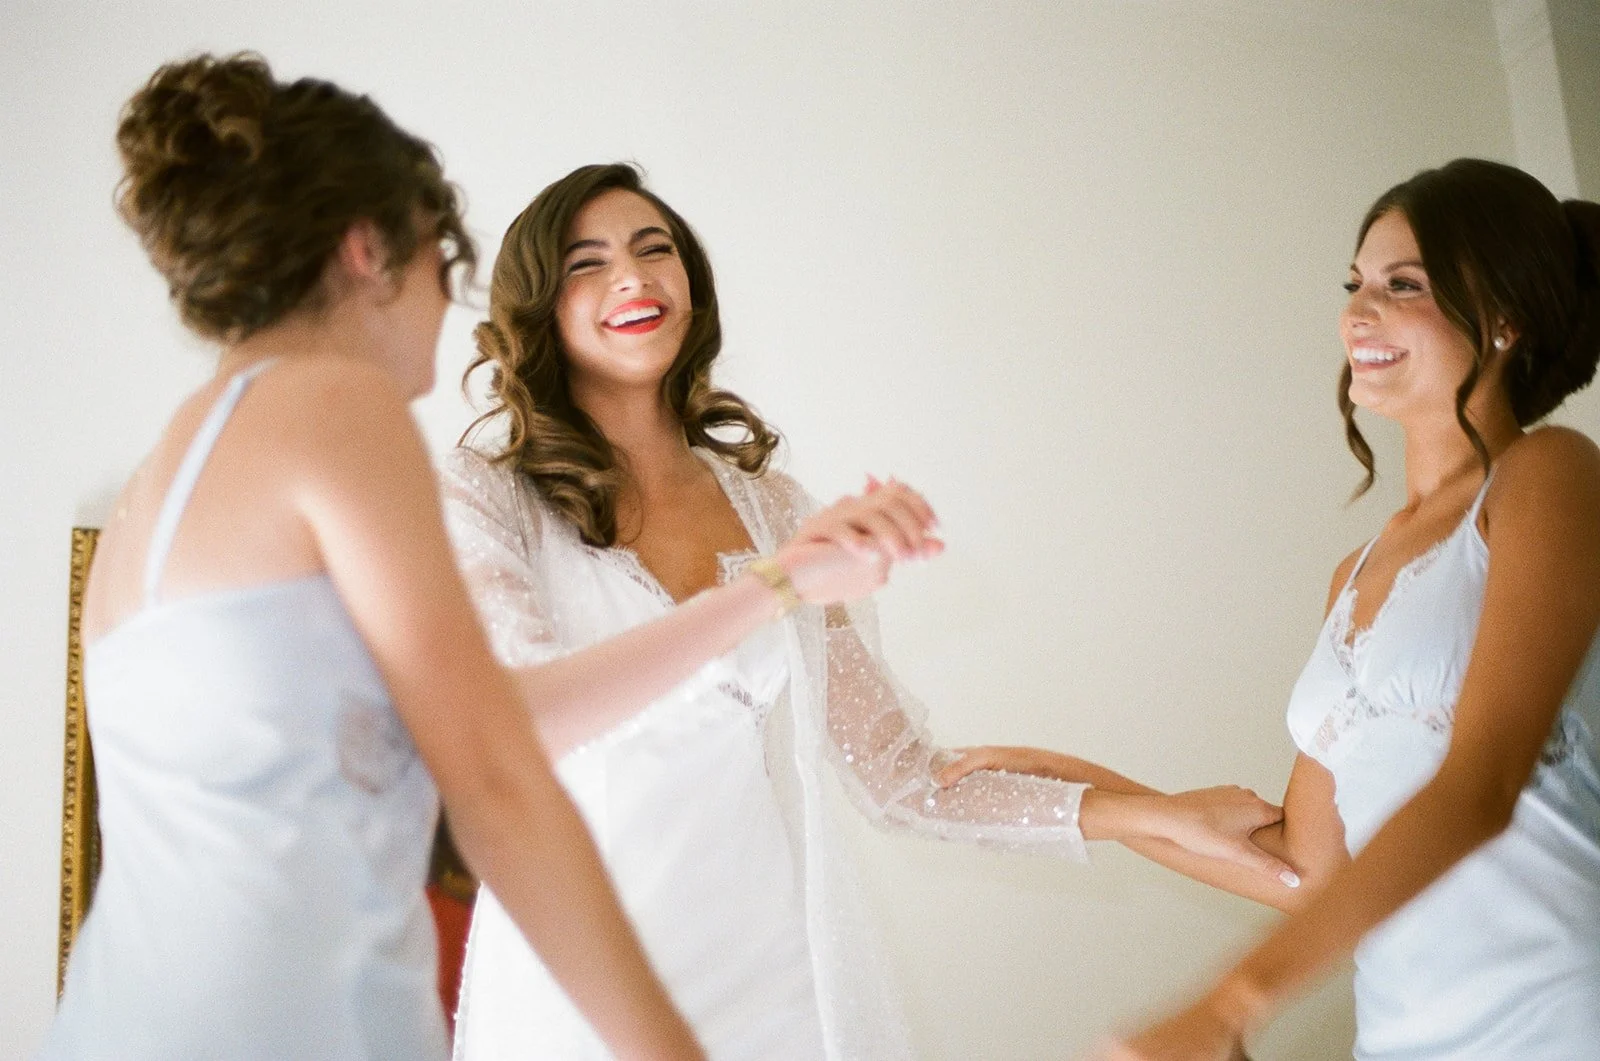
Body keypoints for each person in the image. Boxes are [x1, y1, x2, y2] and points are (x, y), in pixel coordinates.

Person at [39, 54, 937, 1061]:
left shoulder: (156, 483)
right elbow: (501, 774)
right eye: (444, 265)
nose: (448, 308)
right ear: (368, 250)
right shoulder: (334, 405)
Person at [443, 162, 1301, 1061]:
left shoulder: (772, 508)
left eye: (654, 248)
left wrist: (1151, 815)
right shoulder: (490, 498)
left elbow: (898, 775)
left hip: (767, 973)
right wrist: (775, 586)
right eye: (589, 262)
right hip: (576, 975)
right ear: (540, 306)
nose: (632, 276)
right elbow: (527, 718)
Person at [946, 159, 1600, 1060]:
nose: (1357, 314)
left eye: (1401, 285)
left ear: (1503, 318)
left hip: (1558, 1011)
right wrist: (1075, 784)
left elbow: (1479, 787)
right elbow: (1309, 865)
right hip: (1405, 1031)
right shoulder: (1355, 573)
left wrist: (1229, 1004)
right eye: (1355, 283)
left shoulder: (1550, 475)